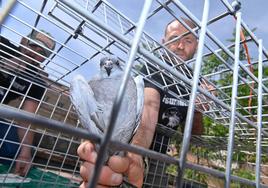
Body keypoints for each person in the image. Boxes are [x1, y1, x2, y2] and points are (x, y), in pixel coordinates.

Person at [77, 18, 214, 187]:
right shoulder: (154, 68)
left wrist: (198, 110)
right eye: (174, 38)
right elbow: (150, 106)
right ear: (163, 42)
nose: (180, 46)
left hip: (160, 156)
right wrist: (136, 151)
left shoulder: (196, 84)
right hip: (127, 145)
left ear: (197, 46)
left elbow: (195, 135)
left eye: (188, 40)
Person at [0, 30, 55, 176]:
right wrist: (3, 63)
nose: (33, 53)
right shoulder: (3, 46)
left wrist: (25, 154)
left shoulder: (36, 82)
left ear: (43, 60)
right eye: (33, 45)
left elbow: (26, 120)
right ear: (23, 41)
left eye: (41, 53)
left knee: (17, 147)